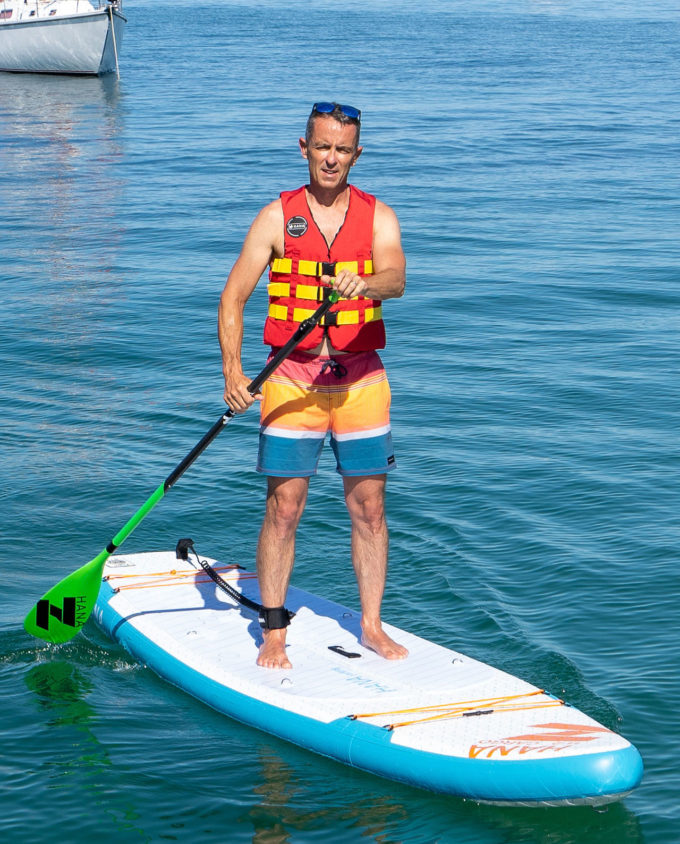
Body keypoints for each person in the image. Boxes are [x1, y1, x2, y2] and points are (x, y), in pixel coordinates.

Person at [218, 102, 408, 669]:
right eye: (322, 146)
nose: (331, 158)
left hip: (360, 379)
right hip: (291, 379)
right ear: (304, 148)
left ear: (357, 154)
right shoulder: (277, 217)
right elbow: (232, 298)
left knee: (369, 506)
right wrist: (232, 370)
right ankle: (274, 631)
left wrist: (366, 281)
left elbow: (396, 278)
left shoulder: (379, 218)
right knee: (284, 505)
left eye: (342, 149)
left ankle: (371, 625)